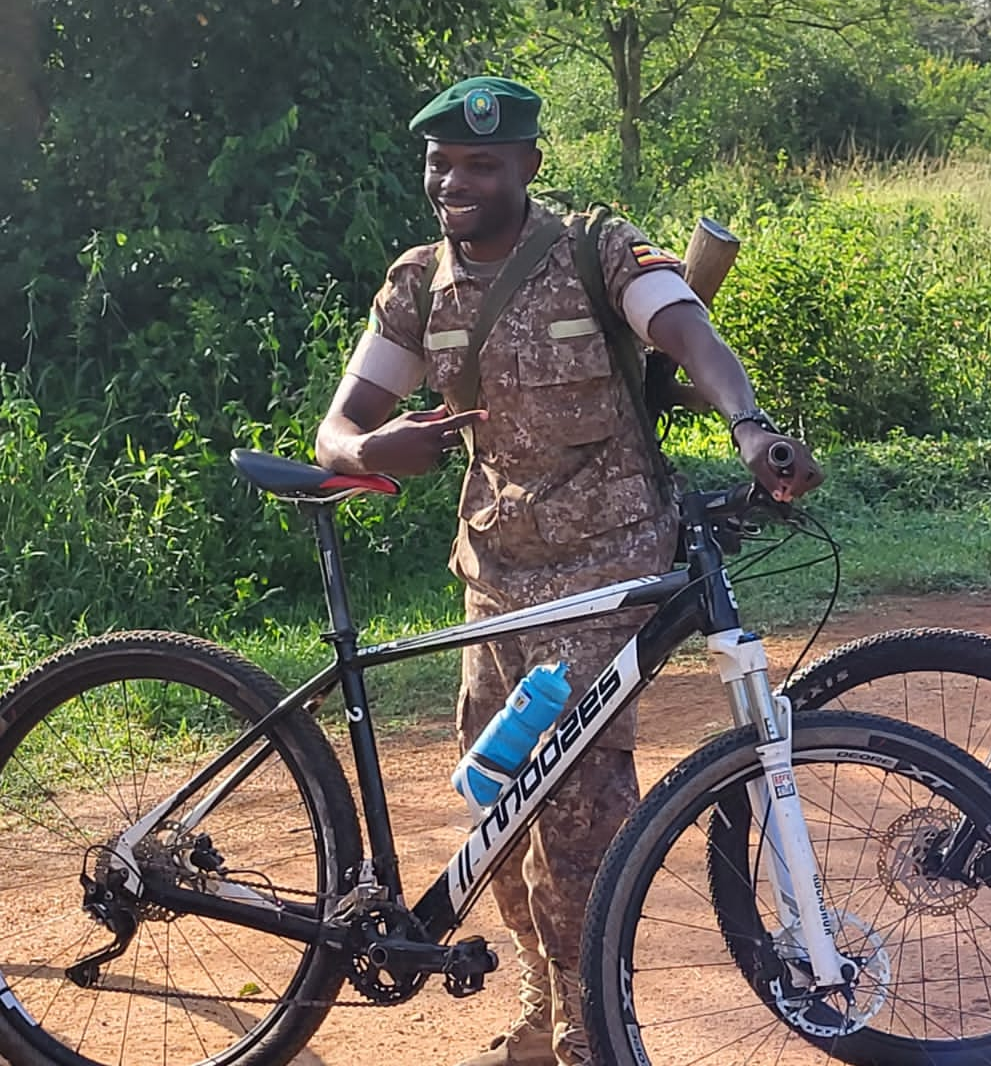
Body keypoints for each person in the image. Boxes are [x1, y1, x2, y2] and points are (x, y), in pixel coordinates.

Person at [315, 76, 821, 1066]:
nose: (455, 181)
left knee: (582, 812)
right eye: (442, 164)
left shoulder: (595, 247)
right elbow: (342, 424)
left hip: (608, 576)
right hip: (493, 576)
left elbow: (686, 330)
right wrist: (366, 455)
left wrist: (750, 425)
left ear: (529, 169)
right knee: (495, 802)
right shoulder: (418, 283)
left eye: (481, 165)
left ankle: (588, 1026)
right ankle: (542, 993)